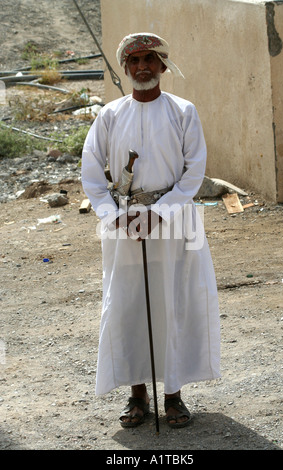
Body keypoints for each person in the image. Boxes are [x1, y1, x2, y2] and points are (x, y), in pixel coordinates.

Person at [81, 33, 220, 429]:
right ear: (125, 68)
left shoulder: (183, 111)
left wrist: (159, 213)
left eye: (150, 59)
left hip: (177, 224)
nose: (142, 66)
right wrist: (115, 216)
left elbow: (194, 170)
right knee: (129, 304)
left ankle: (173, 395)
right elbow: (91, 174)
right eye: (135, 60)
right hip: (124, 227)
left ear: (162, 66)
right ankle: (137, 395)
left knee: (172, 300)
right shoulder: (109, 115)